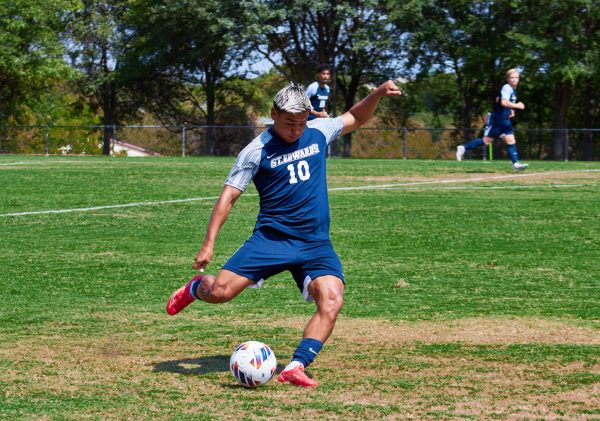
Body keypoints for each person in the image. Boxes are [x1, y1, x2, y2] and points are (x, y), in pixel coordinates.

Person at [166, 80, 401, 387]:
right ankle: (197, 288)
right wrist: (208, 244)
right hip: (271, 240)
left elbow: (354, 118)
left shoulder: (317, 131)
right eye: (290, 123)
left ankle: (296, 366)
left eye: (302, 123)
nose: (297, 130)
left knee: (332, 300)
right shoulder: (256, 150)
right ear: (274, 113)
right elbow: (229, 197)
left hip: (315, 243)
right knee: (220, 293)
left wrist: (377, 94)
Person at [456, 68, 529, 173]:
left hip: (504, 119)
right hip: (498, 120)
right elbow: (504, 102)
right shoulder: (507, 87)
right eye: (511, 77)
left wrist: (510, 110)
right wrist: (517, 106)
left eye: (516, 77)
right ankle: (463, 148)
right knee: (486, 141)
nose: (514, 79)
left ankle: (516, 165)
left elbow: (501, 102)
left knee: (511, 141)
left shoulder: (512, 89)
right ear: (507, 79)